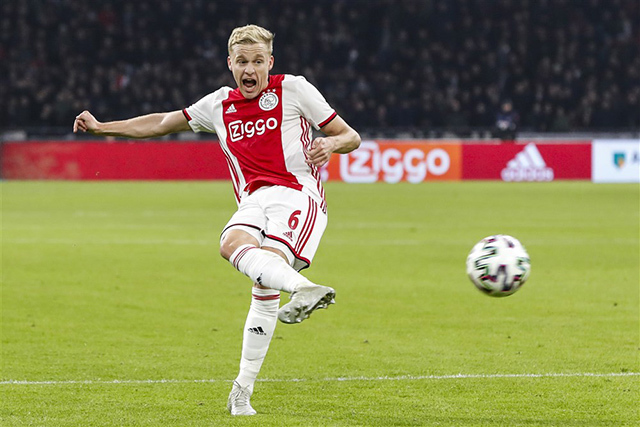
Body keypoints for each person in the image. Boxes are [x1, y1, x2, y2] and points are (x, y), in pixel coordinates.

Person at [73, 24, 361, 416]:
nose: (250, 69)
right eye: (242, 61)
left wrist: (330, 143)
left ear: (270, 62)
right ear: (230, 64)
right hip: (253, 200)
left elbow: (350, 136)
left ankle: (244, 387)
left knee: (265, 281)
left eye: (257, 61)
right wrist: (102, 127)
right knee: (232, 246)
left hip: (296, 195)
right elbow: (161, 123)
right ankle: (301, 295)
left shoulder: (294, 89)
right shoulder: (219, 105)